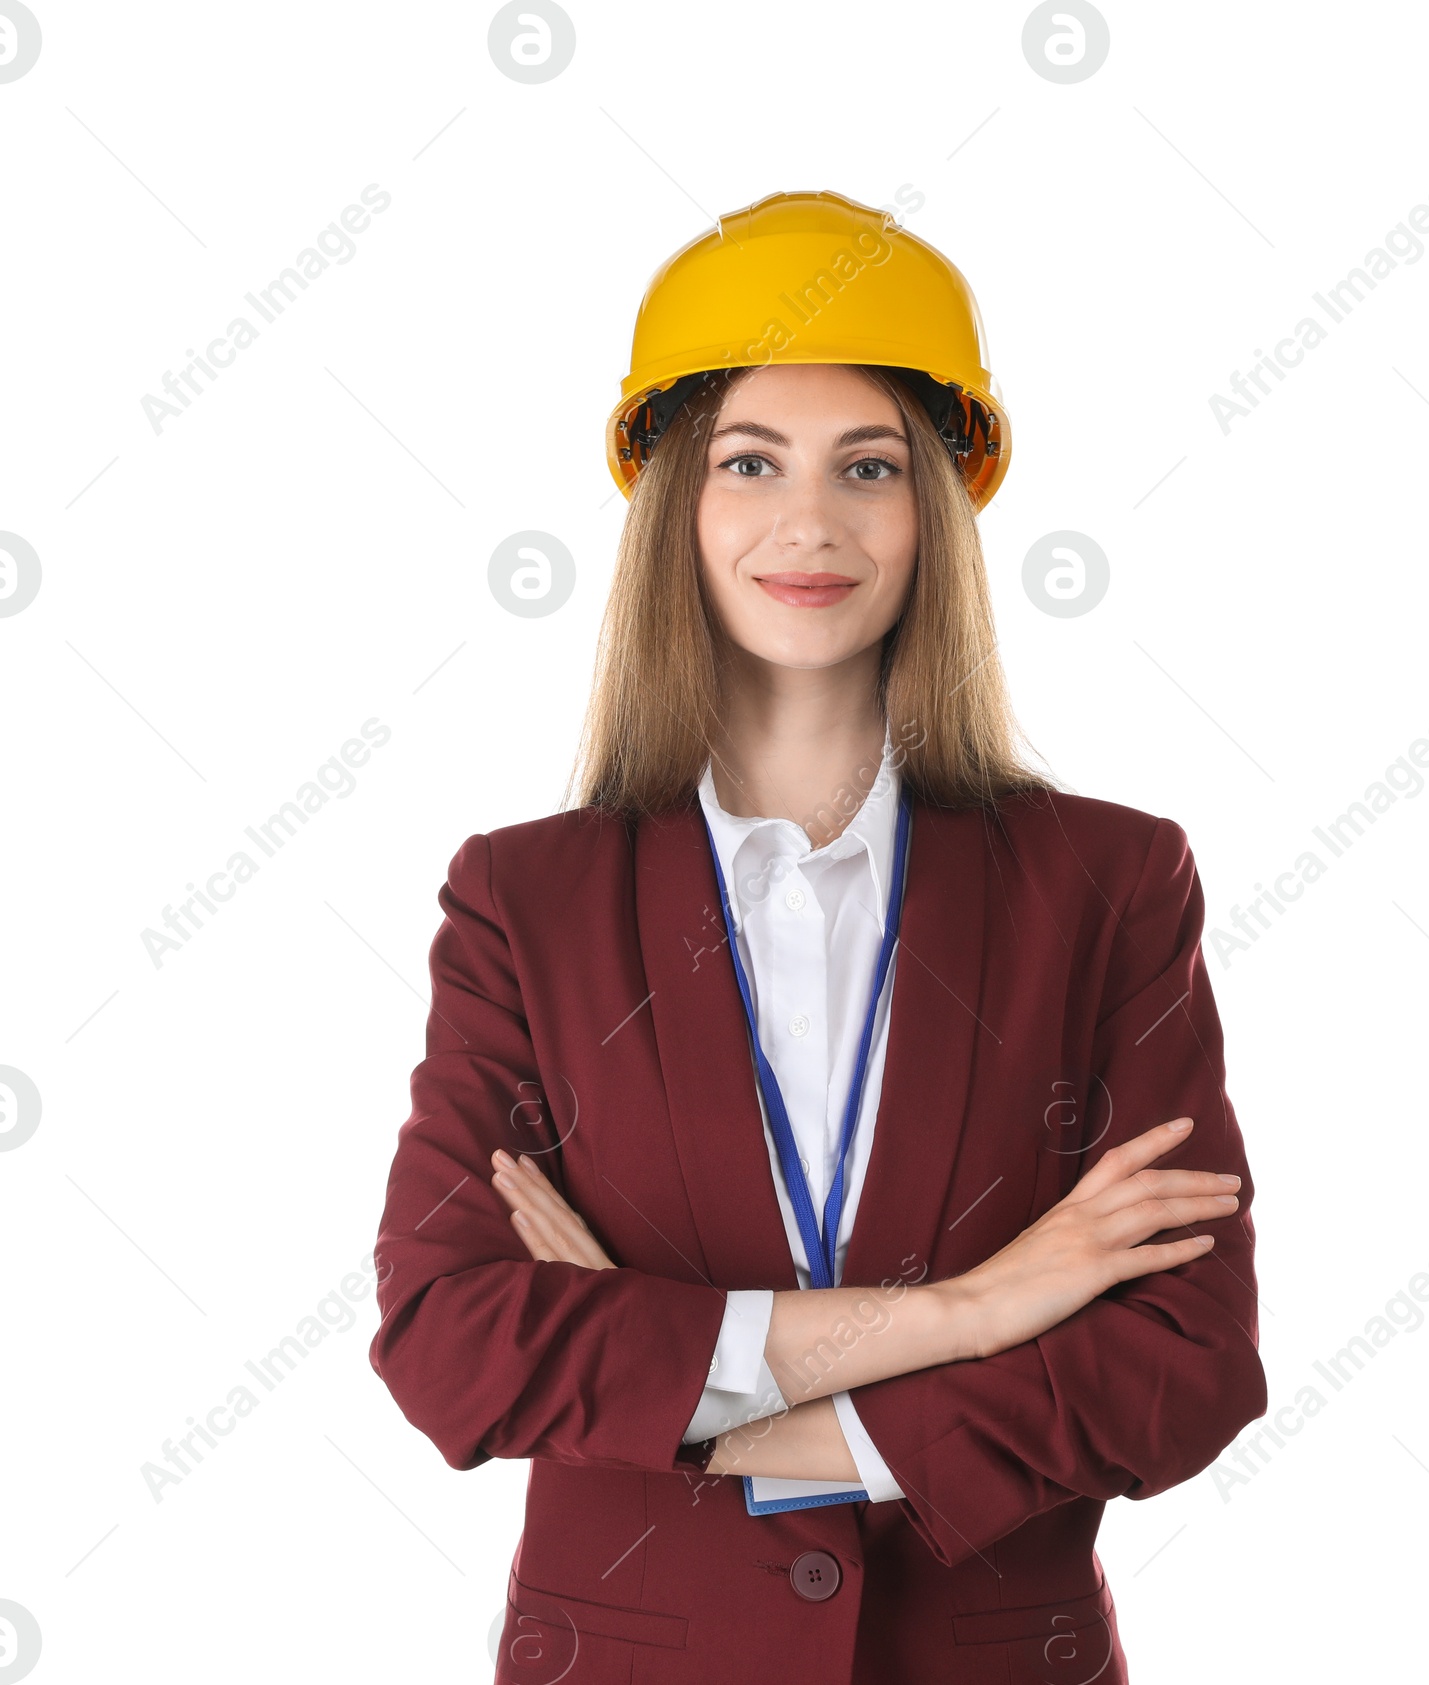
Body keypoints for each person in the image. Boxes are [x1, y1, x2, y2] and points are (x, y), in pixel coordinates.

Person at [369, 189, 1266, 1685]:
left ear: (936, 510)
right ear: (676, 507)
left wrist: (727, 1420)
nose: (810, 521)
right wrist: (975, 1311)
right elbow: (452, 1339)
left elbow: (1183, 1361)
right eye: (748, 463)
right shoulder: (525, 903)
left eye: (868, 466)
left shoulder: (1110, 883)